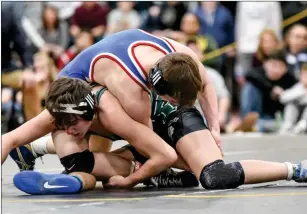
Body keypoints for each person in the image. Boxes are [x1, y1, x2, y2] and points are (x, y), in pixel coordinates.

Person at [4, 78, 307, 195]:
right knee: (78, 160)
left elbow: (166, 154)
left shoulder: (112, 115)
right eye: (61, 122)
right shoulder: (65, 110)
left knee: (215, 176)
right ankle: (44, 153)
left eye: (74, 123)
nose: (68, 129)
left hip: (172, 122)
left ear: (91, 113)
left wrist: (130, 180)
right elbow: (7, 139)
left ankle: (295, 169)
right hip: (144, 140)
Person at [46, 28, 221, 186]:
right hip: (72, 91)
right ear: (158, 91)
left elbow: (205, 84)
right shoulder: (130, 92)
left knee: (94, 155)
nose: (174, 105)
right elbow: (157, 150)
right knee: (77, 158)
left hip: (92, 87)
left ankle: (48, 154)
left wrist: (215, 129)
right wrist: (194, 165)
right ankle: (45, 151)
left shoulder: (182, 55)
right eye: (173, 101)